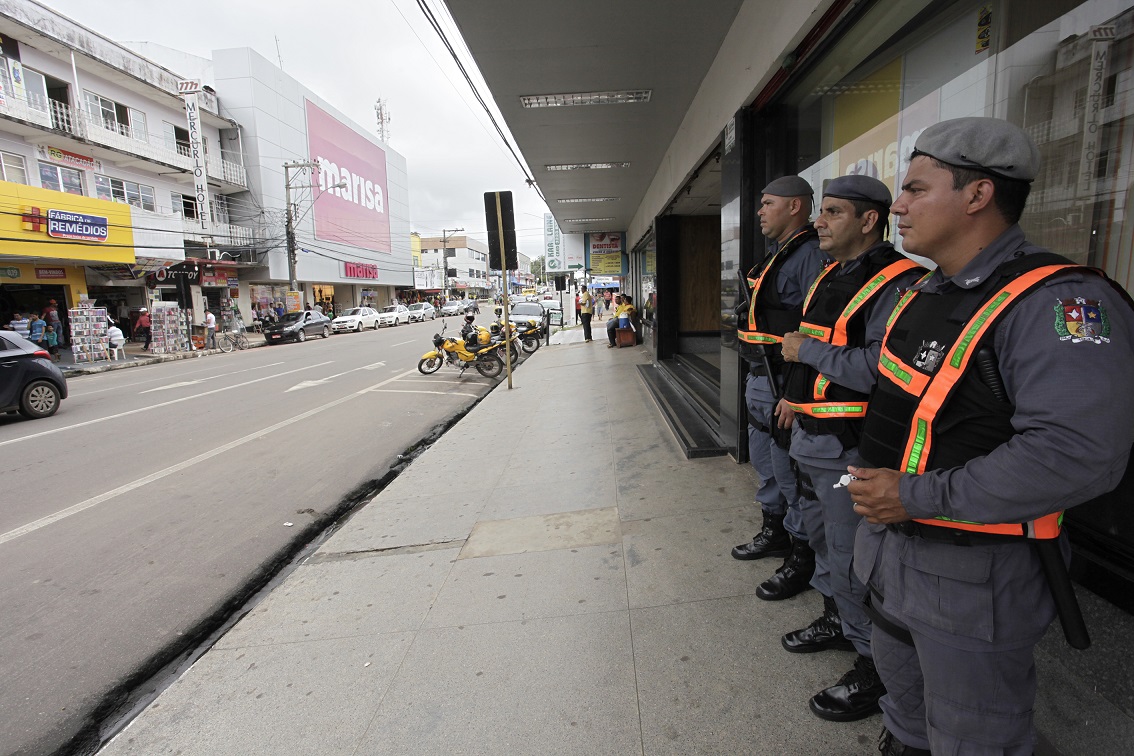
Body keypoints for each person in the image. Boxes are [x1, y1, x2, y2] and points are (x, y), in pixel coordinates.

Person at [846, 117, 1134, 755]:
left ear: (977, 196)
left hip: (972, 577)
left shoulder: (1061, 304)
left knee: (977, 736)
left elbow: (1077, 456)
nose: (897, 204)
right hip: (889, 551)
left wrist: (915, 497)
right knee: (907, 713)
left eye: (917, 189)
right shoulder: (926, 291)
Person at [777, 175, 925, 723]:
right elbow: (814, 344)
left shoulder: (900, 282)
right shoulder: (831, 274)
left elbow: (882, 371)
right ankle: (839, 622)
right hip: (811, 439)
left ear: (869, 221)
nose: (819, 220)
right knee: (821, 542)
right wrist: (794, 398)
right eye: (821, 210)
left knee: (852, 559)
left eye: (834, 212)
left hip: (851, 448)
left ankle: (873, 666)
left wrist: (807, 353)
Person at [733, 175, 829, 603]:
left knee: (792, 473)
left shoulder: (810, 256)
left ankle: (802, 554)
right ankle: (775, 531)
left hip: (783, 383)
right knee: (767, 464)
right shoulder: (777, 256)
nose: (760, 211)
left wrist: (797, 390)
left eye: (768, 203)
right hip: (760, 377)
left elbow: (818, 329)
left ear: (795, 207)